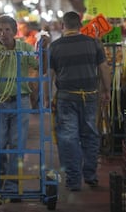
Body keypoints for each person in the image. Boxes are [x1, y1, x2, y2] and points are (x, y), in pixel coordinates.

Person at [45, 11, 111, 191]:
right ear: (80, 25)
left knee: (68, 138)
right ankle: (90, 175)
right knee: (90, 135)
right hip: (90, 96)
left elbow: (49, 75)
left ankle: (73, 180)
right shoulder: (93, 43)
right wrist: (107, 90)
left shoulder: (55, 47)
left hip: (66, 97)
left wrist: (46, 97)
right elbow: (104, 68)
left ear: (62, 26)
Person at [0, 14, 38, 193]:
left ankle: (13, 185)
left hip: (20, 101)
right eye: (0, 30)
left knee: (17, 144)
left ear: (14, 31)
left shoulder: (25, 48)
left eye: (7, 30)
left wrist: (33, 84)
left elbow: (37, 66)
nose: (3, 33)